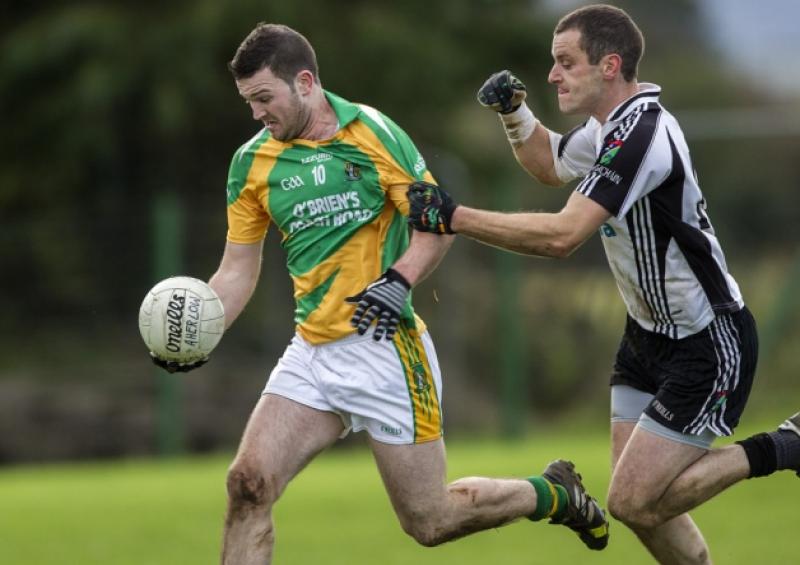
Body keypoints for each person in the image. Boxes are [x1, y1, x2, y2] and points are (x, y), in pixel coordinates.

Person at [149, 22, 610, 564]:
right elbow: (236, 271)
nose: (257, 114)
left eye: (264, 98)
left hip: (386, 349)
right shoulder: (251, 164)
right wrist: (198, 333)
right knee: (247, 485)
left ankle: (551, 493)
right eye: (249, 102)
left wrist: (400, 281)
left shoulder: (371, 132)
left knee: (430, 520)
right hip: (312, 353)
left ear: (304, 83)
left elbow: (434, 222)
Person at [406, 4, 800, 565]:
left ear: (609, 65)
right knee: (646, 507)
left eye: (565, 63)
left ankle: (783, 446)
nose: (552, 75)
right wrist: (515, 114)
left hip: (707, 342)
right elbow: (547, 163)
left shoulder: (644, 135)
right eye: (552, 64)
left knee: (633, 502)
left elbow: (563, 236)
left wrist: (455, 216)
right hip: (645, 337)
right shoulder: (610, 128)